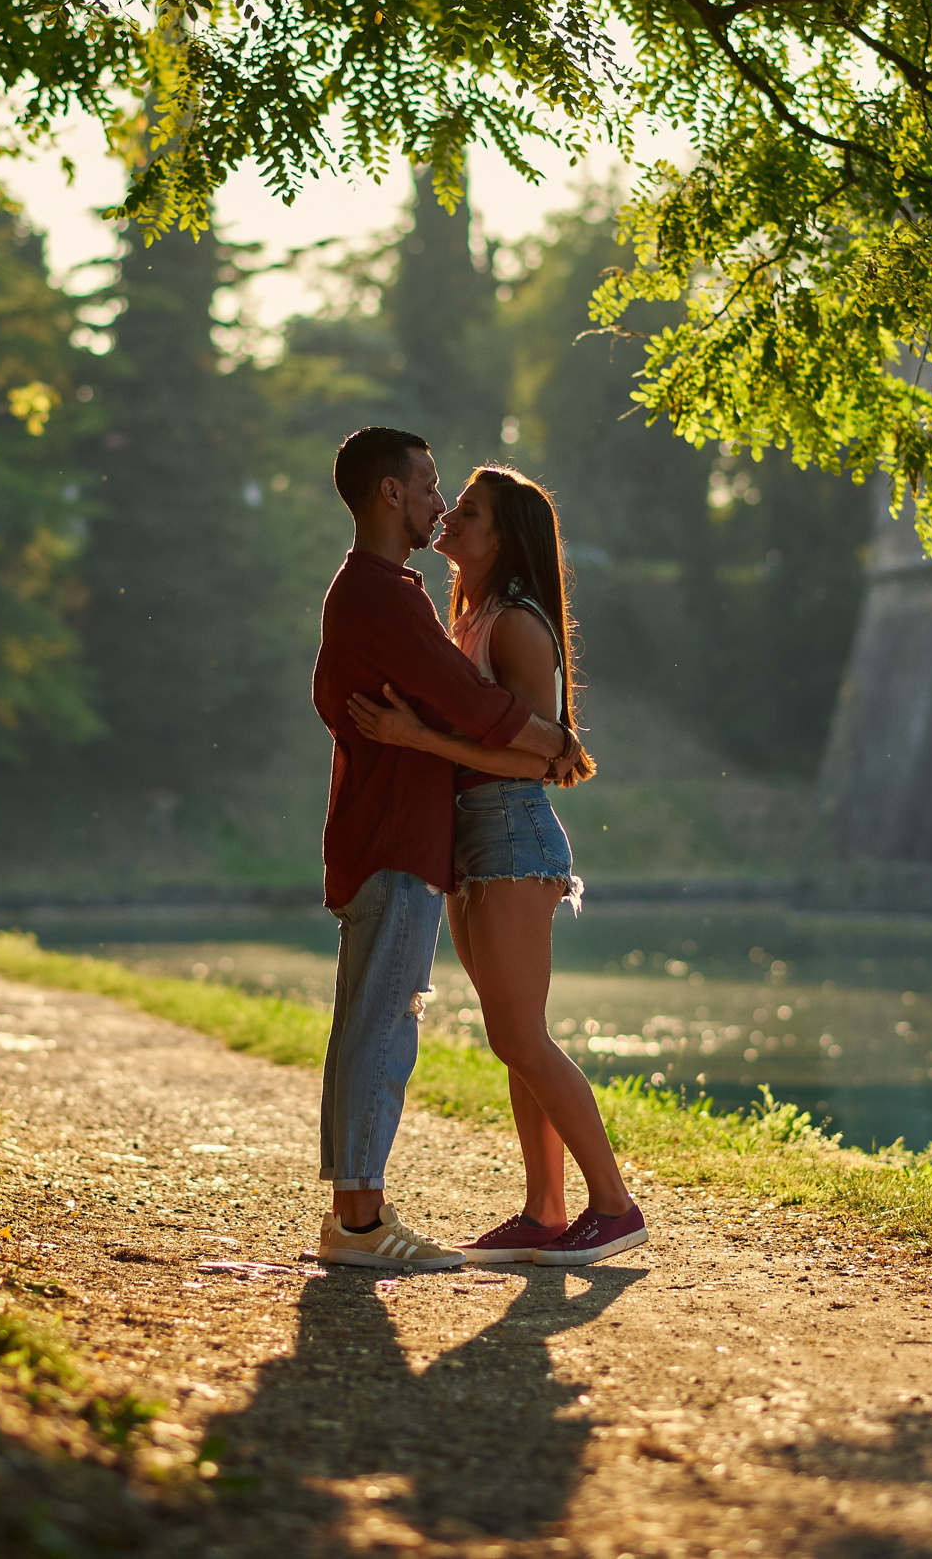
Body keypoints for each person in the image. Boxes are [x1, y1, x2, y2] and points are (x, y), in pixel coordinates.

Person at [347, 465, 647, 1268]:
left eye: (469, 510)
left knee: (521, 1035)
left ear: (502, 539)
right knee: (515, 1039)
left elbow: (530, 753)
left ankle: (613, 1206)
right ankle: (545, 1212)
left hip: (513, 834)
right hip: (472, 840)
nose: (447, 514)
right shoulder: (466, 618)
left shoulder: (515, 623)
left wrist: (418, 739)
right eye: (451, 502)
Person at [311, 428, 588, 1273]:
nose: (440, 505)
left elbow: (449, 704)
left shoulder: (380, 592)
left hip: (405, 836)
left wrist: (519, 739)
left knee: (380, 1023)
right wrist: (554, 737)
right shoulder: (387, 595)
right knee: (380, 1029)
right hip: (397, 838)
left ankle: (362, 1211)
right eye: (432, 487)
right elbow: (467, 702)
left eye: (455, 498)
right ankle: (359, 1221)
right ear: (390, 493)